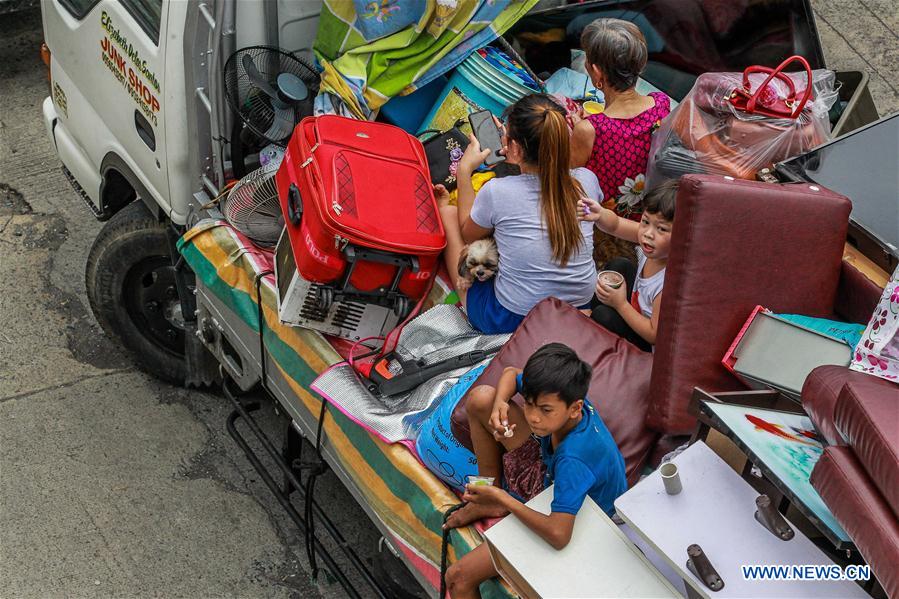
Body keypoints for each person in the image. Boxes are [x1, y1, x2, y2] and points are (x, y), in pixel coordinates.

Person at [444, 343, 627, 599]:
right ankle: (487, 496)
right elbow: (510, 374)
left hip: (578, 518)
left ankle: (495, 500)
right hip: (549, 475)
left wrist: (505, 500)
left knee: (457, 578)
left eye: (545, 410)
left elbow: (559, 535)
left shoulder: (574, 459)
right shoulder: (559, 391)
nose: (533, 417)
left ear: (575, 408)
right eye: (529, 404)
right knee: (481, 398)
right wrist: (500, 405)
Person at [437, 94, 602, 335]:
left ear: (514, 147)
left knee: (451, 215)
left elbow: (468, 233)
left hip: (511, 319)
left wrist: (464, 170)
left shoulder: (498, 191)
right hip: (575, 314)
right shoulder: (587, 180)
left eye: (505, 134)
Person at [571, 18, 671, 218]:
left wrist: (577, 130)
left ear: (597, 71)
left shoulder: (589, 130)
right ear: (640, 64)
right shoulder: (662, 104)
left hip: (606, 226)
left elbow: (567, 181)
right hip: (651, 218)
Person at [579, 179, 678, 350]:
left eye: (661, 229)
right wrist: (599, 214)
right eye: (645, 222)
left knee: (604, 315)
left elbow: (654, 335)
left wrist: (621, 305)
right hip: (637, 307)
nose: (648, 234)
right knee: (620, 265)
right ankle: (593, 315)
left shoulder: (668, 283)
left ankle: (597, 321)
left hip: (645, 343)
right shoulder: (657, 247)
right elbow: (616, 225)